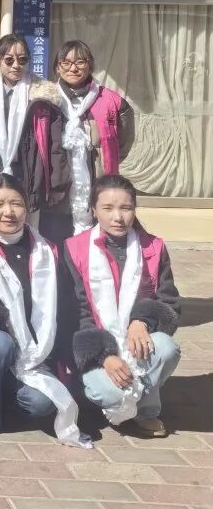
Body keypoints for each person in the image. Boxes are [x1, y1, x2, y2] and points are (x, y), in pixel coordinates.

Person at [0, 174, 87, 446]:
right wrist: (2, 319)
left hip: (32, 351)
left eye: (16, 204)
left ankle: (6, 391)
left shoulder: (47, 250)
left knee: (42, 404)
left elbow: (63, 305)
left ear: (27, 207)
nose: (8, 212)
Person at [64, 175, 180, 438]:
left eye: (126, 208)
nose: (118, 217)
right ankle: (110, 397)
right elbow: (74, 312)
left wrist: (141, 321)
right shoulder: (75, 249)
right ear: (94, 210)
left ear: (135, 209)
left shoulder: (153, 247)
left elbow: (169, 302)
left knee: (166, 348)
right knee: (109, 394)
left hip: (136, 343)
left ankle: (145, 410)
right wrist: (104, 354)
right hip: (96, 345)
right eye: (108, 208)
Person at [40, 41, 135, 246]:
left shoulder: (111, 101)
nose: (73, 68)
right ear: (57, 67)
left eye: (80, 62)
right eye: (66, 63)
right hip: (56, 190)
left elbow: (124, 142)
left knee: (96, 249)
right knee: (56, 247)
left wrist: (104, 161)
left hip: (97, 187)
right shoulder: (46, 99)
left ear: (90, 65)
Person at [0, 34, 69, 228]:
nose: (16, 66)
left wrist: (57, 184)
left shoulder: (43, 95)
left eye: (22, 60)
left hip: (28, 173)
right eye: (9, 60)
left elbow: (55, 144)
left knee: (26, 227)